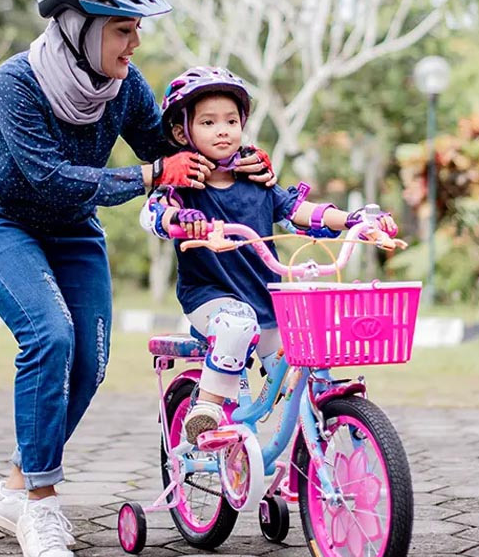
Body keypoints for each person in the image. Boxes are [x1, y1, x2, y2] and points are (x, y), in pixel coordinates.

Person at [0, 0, 273, 556]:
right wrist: (149, 175)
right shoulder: (17, 82)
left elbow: (172, 148)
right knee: (51, 336)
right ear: (79, 27)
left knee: (91, 361)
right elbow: (50, 177)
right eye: (123, 30)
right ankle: (41, 505)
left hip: (73, 228)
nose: (136, 42)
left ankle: (17, 485)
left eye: (137, 29)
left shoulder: (125, 88)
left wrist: (241, 163)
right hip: (0, 219)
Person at [141, 66, 398, 444]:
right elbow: (153, 214)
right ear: (183, 133)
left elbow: (299, 210)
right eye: (208, 122)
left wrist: (351, 219)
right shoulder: (184, 187)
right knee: (236, 324)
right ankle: (206, 408)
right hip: (211, 298)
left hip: (267, 301)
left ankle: (318, 436)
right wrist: (179, 219)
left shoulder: (258, 182)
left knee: (309, 352)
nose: (223, 130)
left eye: (231, 121)